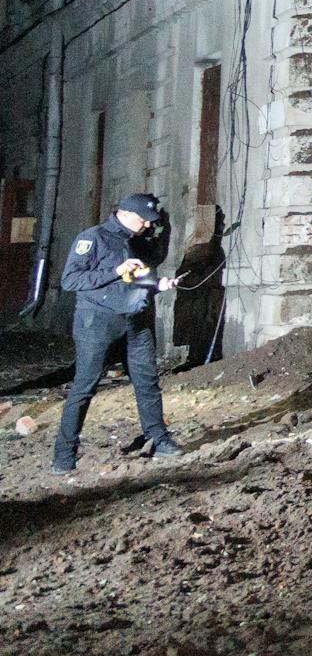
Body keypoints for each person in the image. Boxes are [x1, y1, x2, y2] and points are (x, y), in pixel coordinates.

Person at [53, 192, 182, 475]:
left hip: (136, 323)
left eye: (150, 221)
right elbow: (70, 280)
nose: (148, 225)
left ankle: (158, 439)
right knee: (84, 387)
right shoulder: (93, 238)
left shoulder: (139, 241)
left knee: (147, 383)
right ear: (124, 214)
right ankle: (63, 455)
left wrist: (157, 285)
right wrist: (115, 270)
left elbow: (137, 278)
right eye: (143, 220)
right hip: (98, 324)